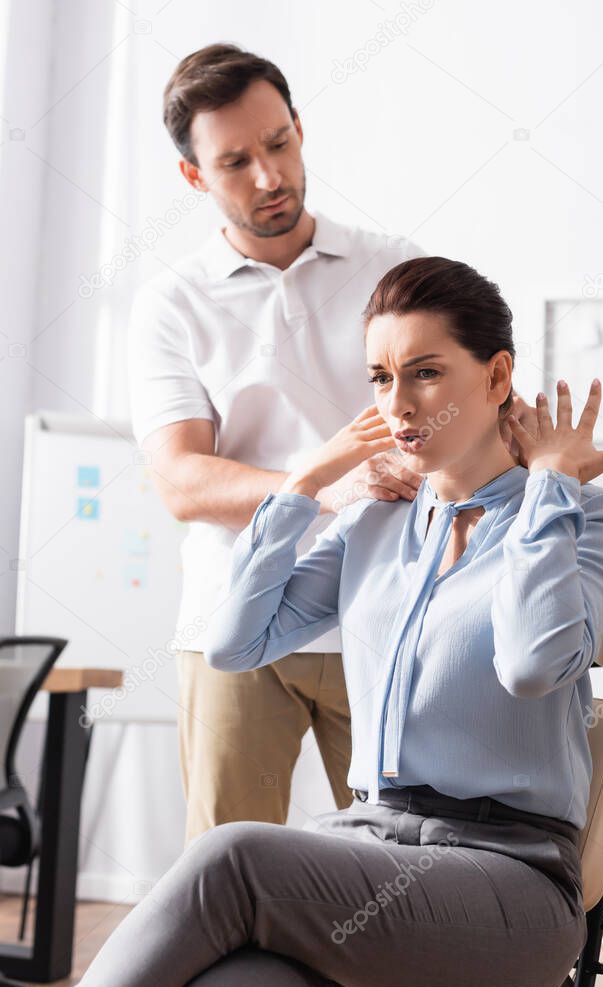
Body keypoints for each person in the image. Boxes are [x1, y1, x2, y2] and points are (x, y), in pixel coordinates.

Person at [50, 256, 603, 987]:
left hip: (509, 887)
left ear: (497, 377)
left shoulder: (585, 518)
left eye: (424, 373)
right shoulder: (374, 521)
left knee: (234, 855)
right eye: (379, 378)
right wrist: (303, 485)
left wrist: (550, 488)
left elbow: (531, 664)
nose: (398, 405)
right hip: (371, 845)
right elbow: (235, 644)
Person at [128, 41, 431, 842]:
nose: (268, 177)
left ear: (298, 127)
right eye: (234, 162)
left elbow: (454, 417)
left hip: (383, 610)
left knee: (404, 869)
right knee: (226, 869)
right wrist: (321, 488)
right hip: (235, 621)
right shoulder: (171, 305)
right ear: (194, 176)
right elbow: (183, 481)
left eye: (278, 144)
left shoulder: (393, 270)